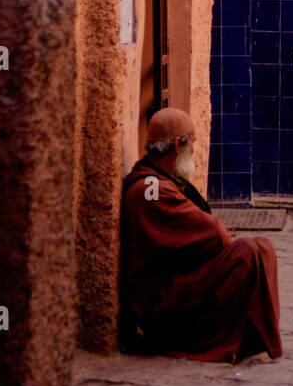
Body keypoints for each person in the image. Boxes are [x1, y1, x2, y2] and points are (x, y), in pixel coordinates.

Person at [121, 107, 283, 363]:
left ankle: (250, 334)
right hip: (163, 302)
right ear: (177, 145)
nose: (194, 151)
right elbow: (216, 235)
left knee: (262, 247)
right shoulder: (150, 189)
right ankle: (221, 340)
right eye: (191, 143)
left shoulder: (159, 181)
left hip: (176, 282)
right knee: (246, 254)